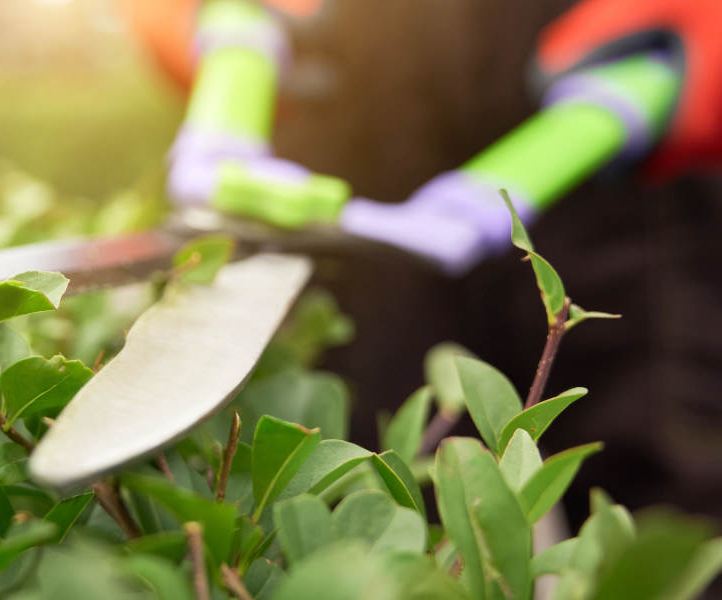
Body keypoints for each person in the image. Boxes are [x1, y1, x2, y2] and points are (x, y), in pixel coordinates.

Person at [126, 0, 722, 528]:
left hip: (615, 79)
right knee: (363, 490)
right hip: (347, 70)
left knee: (674, 515)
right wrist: (225, 25)